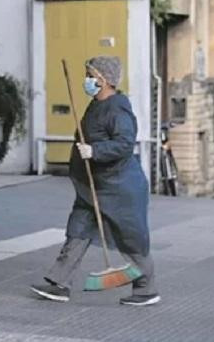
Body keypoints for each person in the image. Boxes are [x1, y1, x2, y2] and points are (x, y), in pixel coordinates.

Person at [31, 55, 159, 306]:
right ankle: (59, 283)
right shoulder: (95, 104)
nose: (87, 80)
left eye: (91, 76)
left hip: (120, 188)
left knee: (131, 238)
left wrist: (95, 151)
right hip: (92, 187)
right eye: (87, 75)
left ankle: (146, 289)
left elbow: (124, 143)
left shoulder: (118, 108)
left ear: (105, 79)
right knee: (77, 229)